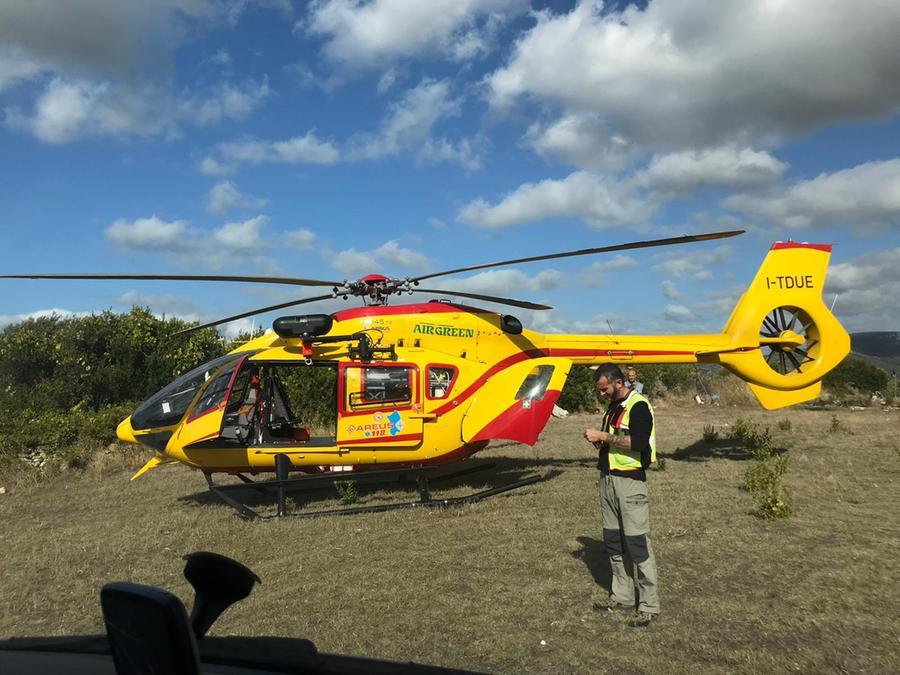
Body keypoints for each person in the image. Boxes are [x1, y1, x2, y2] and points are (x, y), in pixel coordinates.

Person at [585, 363, 659, 627]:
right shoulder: (613, 407)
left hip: (630, 483)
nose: (601, 394)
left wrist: (604, 436)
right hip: (607, 480)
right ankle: (622, 596)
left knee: (637, 544)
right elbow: (614, 441)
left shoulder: (638, 406)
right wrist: (600, 442)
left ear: (618, 383)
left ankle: (649, 605)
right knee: (613, 541)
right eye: (599, 390)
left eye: (604, 389)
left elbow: (638, 443)